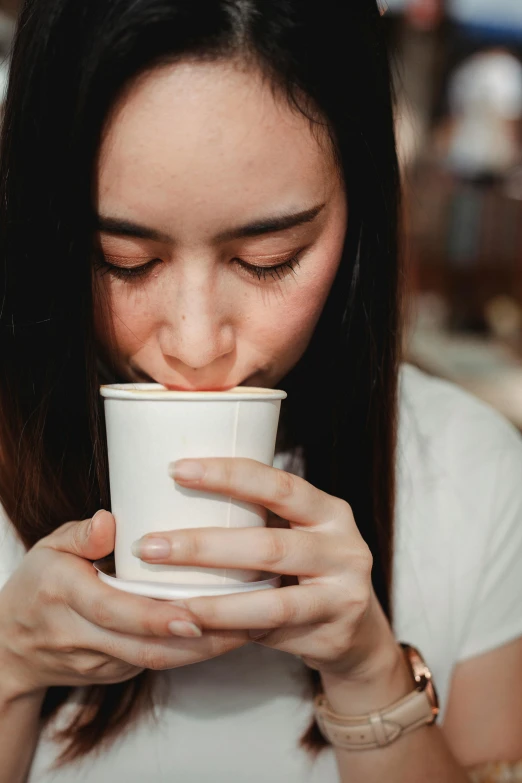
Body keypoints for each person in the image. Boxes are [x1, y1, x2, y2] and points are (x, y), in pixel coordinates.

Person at [0, 2, 521, 782]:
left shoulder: (471, 473)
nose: (196, 342)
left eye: (270, 257)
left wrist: (370, 671)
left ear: (360, 217)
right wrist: (11, 664)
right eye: (125, 259)